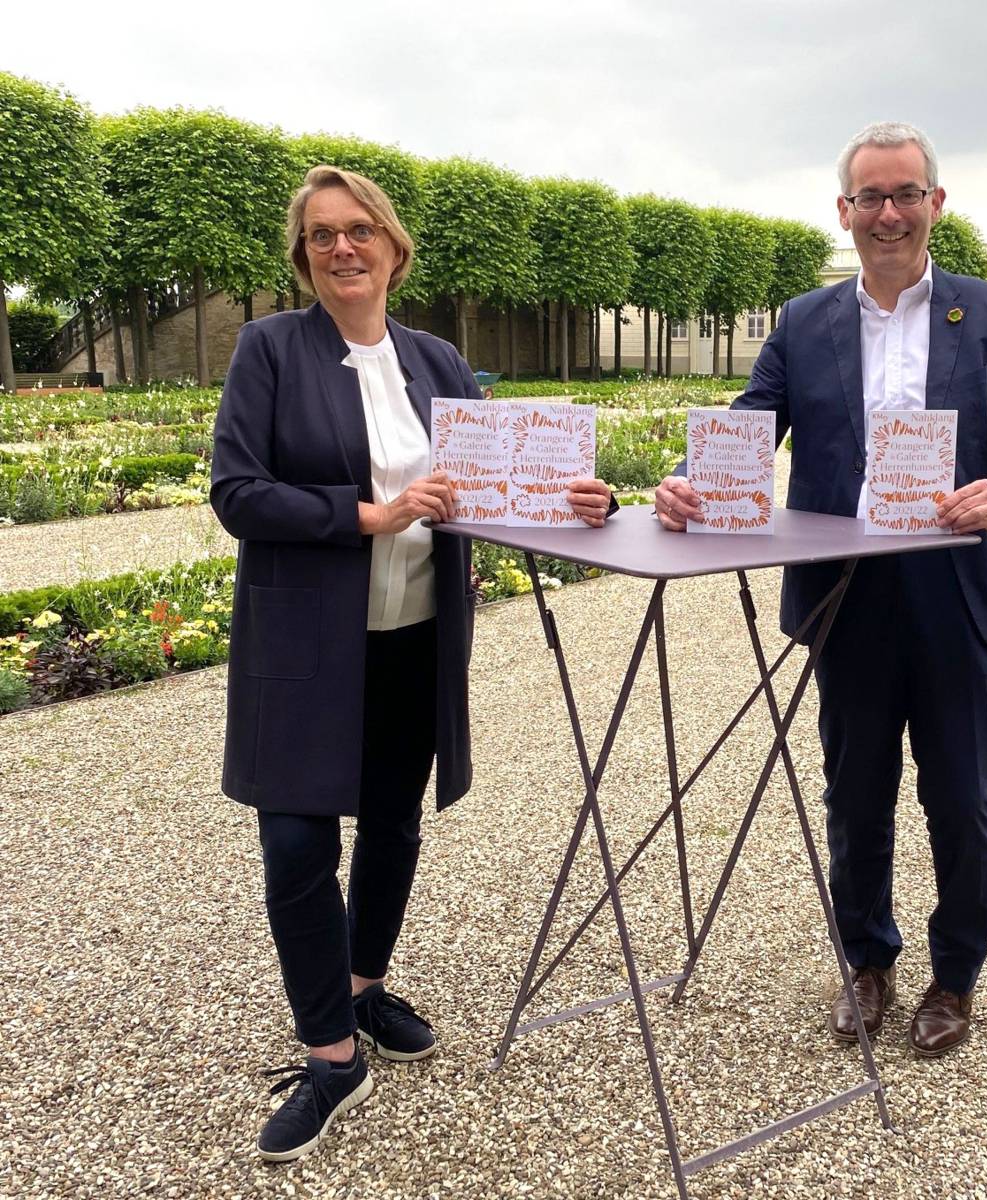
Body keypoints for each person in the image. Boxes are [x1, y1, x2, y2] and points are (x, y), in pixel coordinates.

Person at [211, 165, 614, 1162]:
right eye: (321, 236)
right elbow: (237, 492)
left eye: (359, 230)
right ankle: (330, 1055)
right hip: (304, 642)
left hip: (415, 637)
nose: (342, 248)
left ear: (394, 248)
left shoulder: (437, 360)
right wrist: (368, 516)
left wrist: (581, 501)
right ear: (304, 257)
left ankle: (361, 989)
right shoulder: (270, 349)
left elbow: (503, 486)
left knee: (392, 822)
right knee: (297, 846)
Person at [654, 122, 987, 1056]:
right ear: (844, 211)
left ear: (935, 203)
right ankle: (867, 962)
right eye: (870, 197)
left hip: (954, 593)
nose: (889, 213)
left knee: (961, 800)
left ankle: (954, 979)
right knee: (855, 793)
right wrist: (687, 482)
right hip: (848, 597)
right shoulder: (806, 321)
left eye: (905, 194)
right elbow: (749, 426)